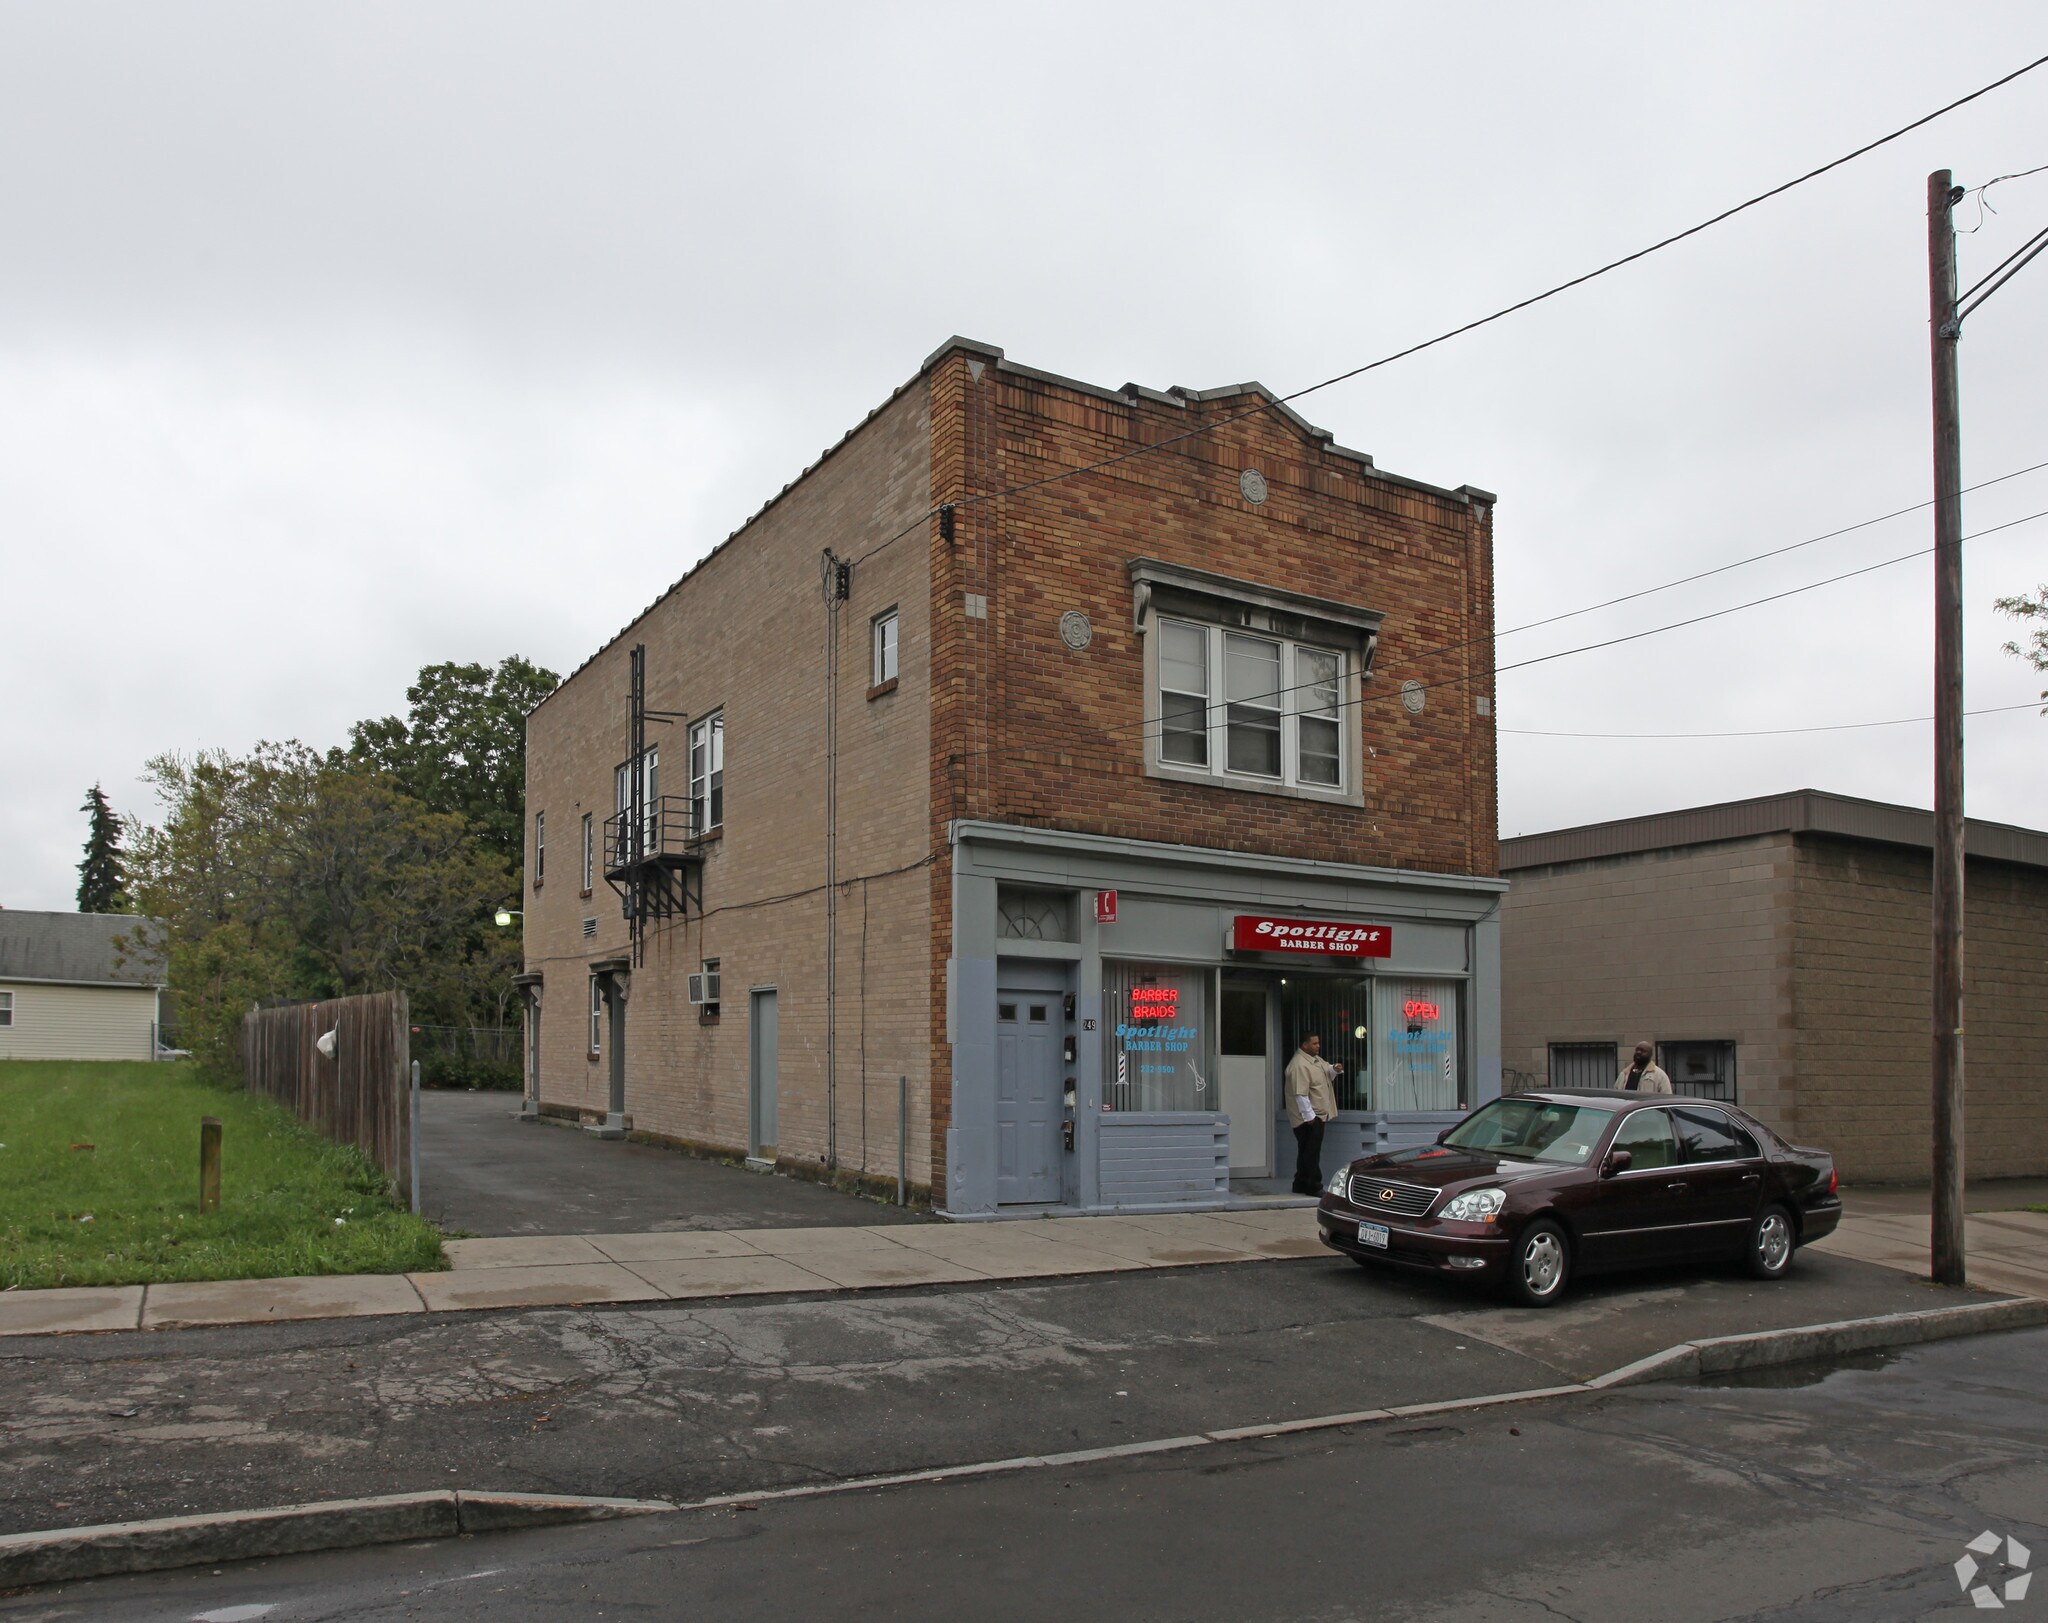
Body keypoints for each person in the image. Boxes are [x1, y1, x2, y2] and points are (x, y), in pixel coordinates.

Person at [1287, 1033, 1340, 1194]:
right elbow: (1300, 1094)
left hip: (1317, 1115)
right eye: (1314, 1043)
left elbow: (1326, 1073)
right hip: (1309, 1118)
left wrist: (1334, 1069)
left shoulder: (1316, 1060)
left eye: (1318, 1043)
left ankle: (1300, 1183)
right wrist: (1310, 1118)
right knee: (1312, 1153)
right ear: (1305, 1045)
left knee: (1305, 1151)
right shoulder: (1299, 1065)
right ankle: (1313, 1186)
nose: (1318, 1046)